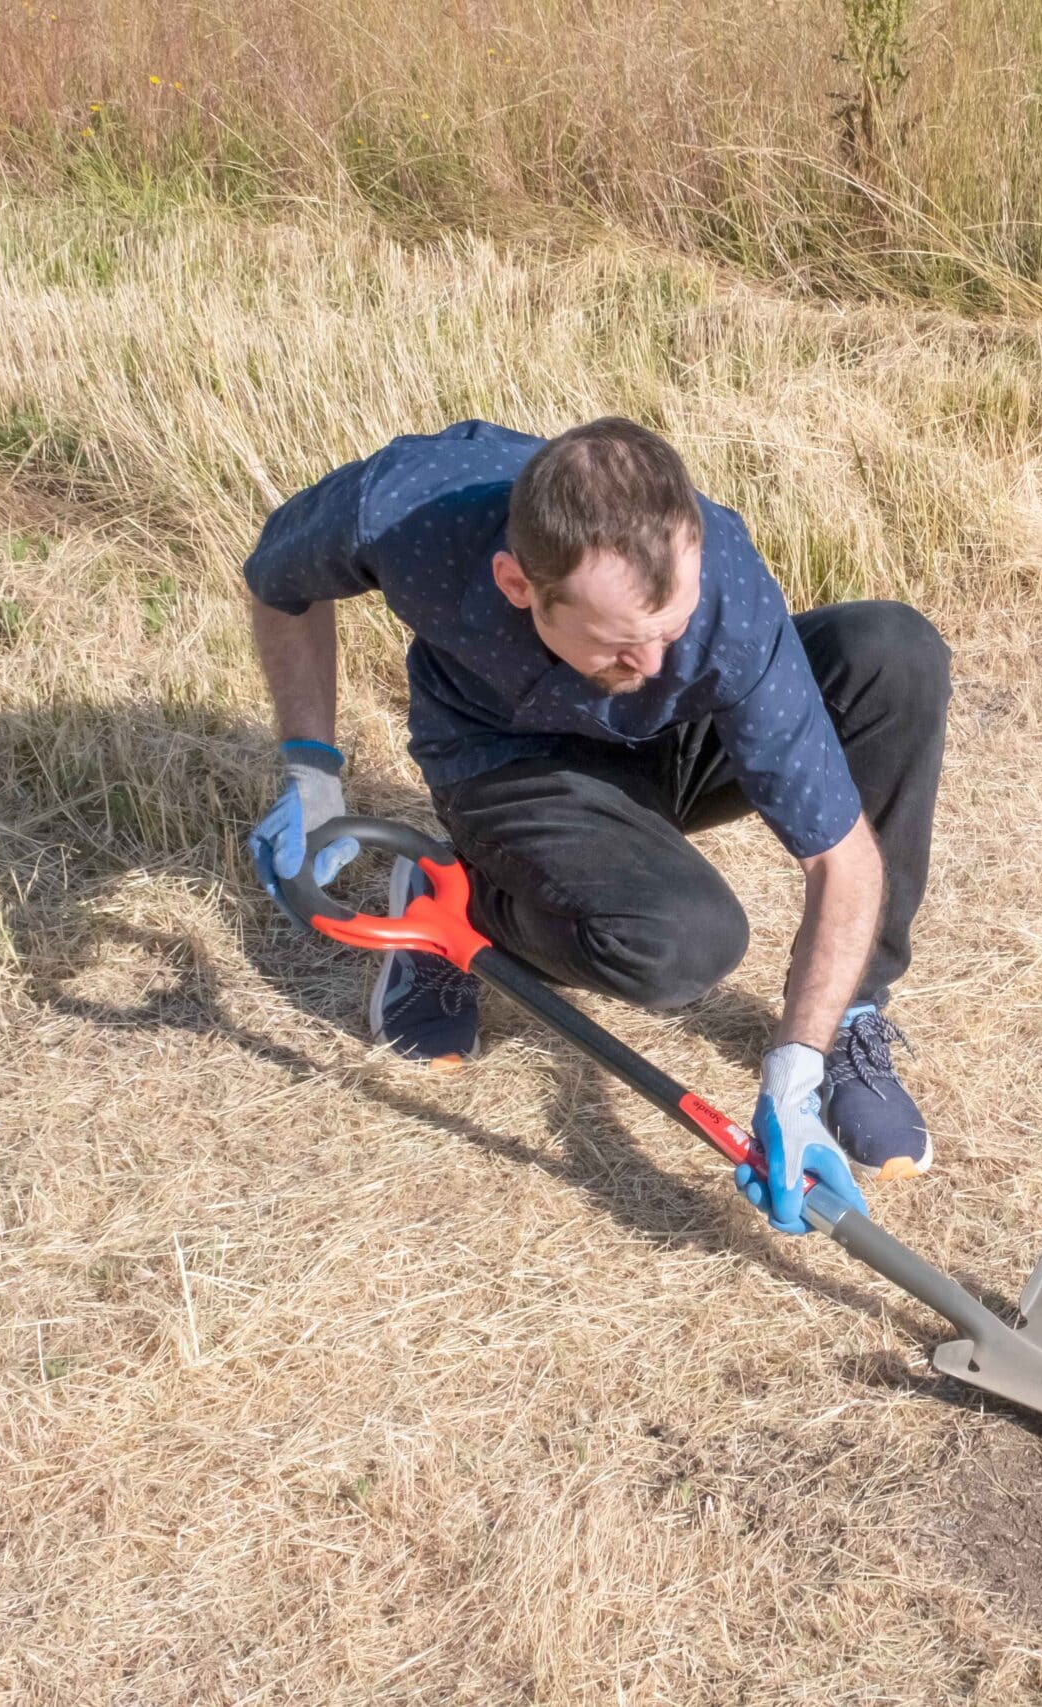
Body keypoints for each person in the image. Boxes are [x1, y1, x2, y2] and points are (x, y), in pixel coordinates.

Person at [237, 418, 947, 1232]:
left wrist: (791, 1074)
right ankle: (455, 907)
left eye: (670, 628)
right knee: (684, 946)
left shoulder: (723, 595)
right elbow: (278, 581)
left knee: (894, 653)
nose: (652, 664)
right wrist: (310, 770)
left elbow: (841, 861)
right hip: (510, 755)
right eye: (621, 646)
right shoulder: (406, 514)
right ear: (516, 584)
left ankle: (848, 1016)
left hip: (673, 741)